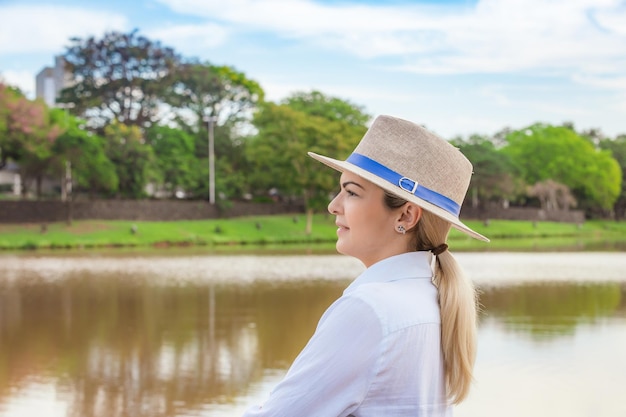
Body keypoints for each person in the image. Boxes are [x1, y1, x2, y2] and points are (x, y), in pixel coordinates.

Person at [242, 115, 489, 417]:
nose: (334, 205)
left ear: (405, 216)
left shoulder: (370, 309)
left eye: (352, 192)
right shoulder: (432, 298)